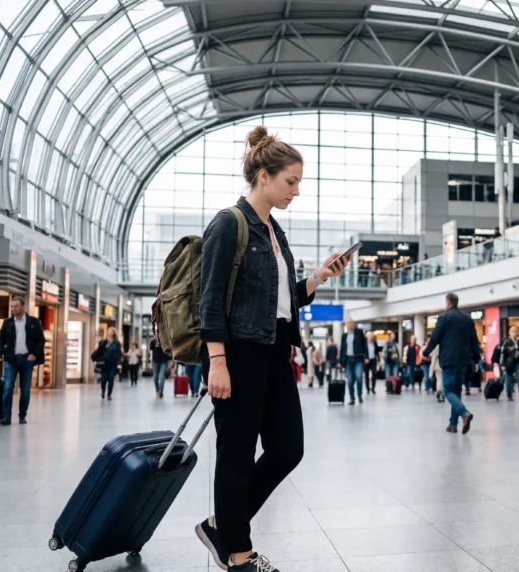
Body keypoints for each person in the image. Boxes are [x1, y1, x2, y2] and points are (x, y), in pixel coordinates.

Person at [193, 125, 347, 572]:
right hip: (239, 353)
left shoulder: (275, 232)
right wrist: (217, 360)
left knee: (288, 449)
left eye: (298, 182)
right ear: (263, 175)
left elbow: (281, 300)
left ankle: (224, 525)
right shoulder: (229, 223)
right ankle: (239, 555)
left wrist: (318, 277)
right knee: (236, 455)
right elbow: (211, 298)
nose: (296, 191)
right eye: (290, 181)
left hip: (277, 350)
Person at [423, 292, 480, 434]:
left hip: (449, 360)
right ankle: (453, 424)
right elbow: (474, 341)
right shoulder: (467, 319)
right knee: (457, 391)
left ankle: (464, 413)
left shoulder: (444, 317)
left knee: (447, 390)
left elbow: (435, 337)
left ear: (448, 303)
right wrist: (477, 359)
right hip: (464, 361)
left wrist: (426, 352)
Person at [0, 296, 45, 426]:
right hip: (11, 359)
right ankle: (6, 416)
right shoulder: (8, 322)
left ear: (22, 307)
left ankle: (22, 415)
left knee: (25, 390)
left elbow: (41, 341)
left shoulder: (33, 322)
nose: (13, 309)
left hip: (27, 360)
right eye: (11, 306)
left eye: (15, 306)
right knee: (8, 388)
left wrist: (34, 354)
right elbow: (1, 340)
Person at [339, 318, 367, 405]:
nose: (349, 324)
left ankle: (359, 395)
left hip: (358, 359)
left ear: (353, 324)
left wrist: (366, 357)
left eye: (351, 323)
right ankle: (352, 398)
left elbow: (364, 345)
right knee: (350, 380)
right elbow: (342, 349)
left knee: (359, 377)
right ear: (346, 325)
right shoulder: (344, 336)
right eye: (347, 323)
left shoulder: (359, 333)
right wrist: (340, 361)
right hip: (348, 360)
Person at [99, 327, 122, 400]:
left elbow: (119, 353)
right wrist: (96, 359)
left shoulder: (117, 343)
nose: (109, 332)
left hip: (113, 363)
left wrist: (119, 363)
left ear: (114, 333)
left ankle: (109, 394)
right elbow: (99, 352)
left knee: (111, 378)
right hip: (105, 363)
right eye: (108, 331)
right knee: (103, 379)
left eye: (110, 331)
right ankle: (103, 391)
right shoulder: (103, 341)